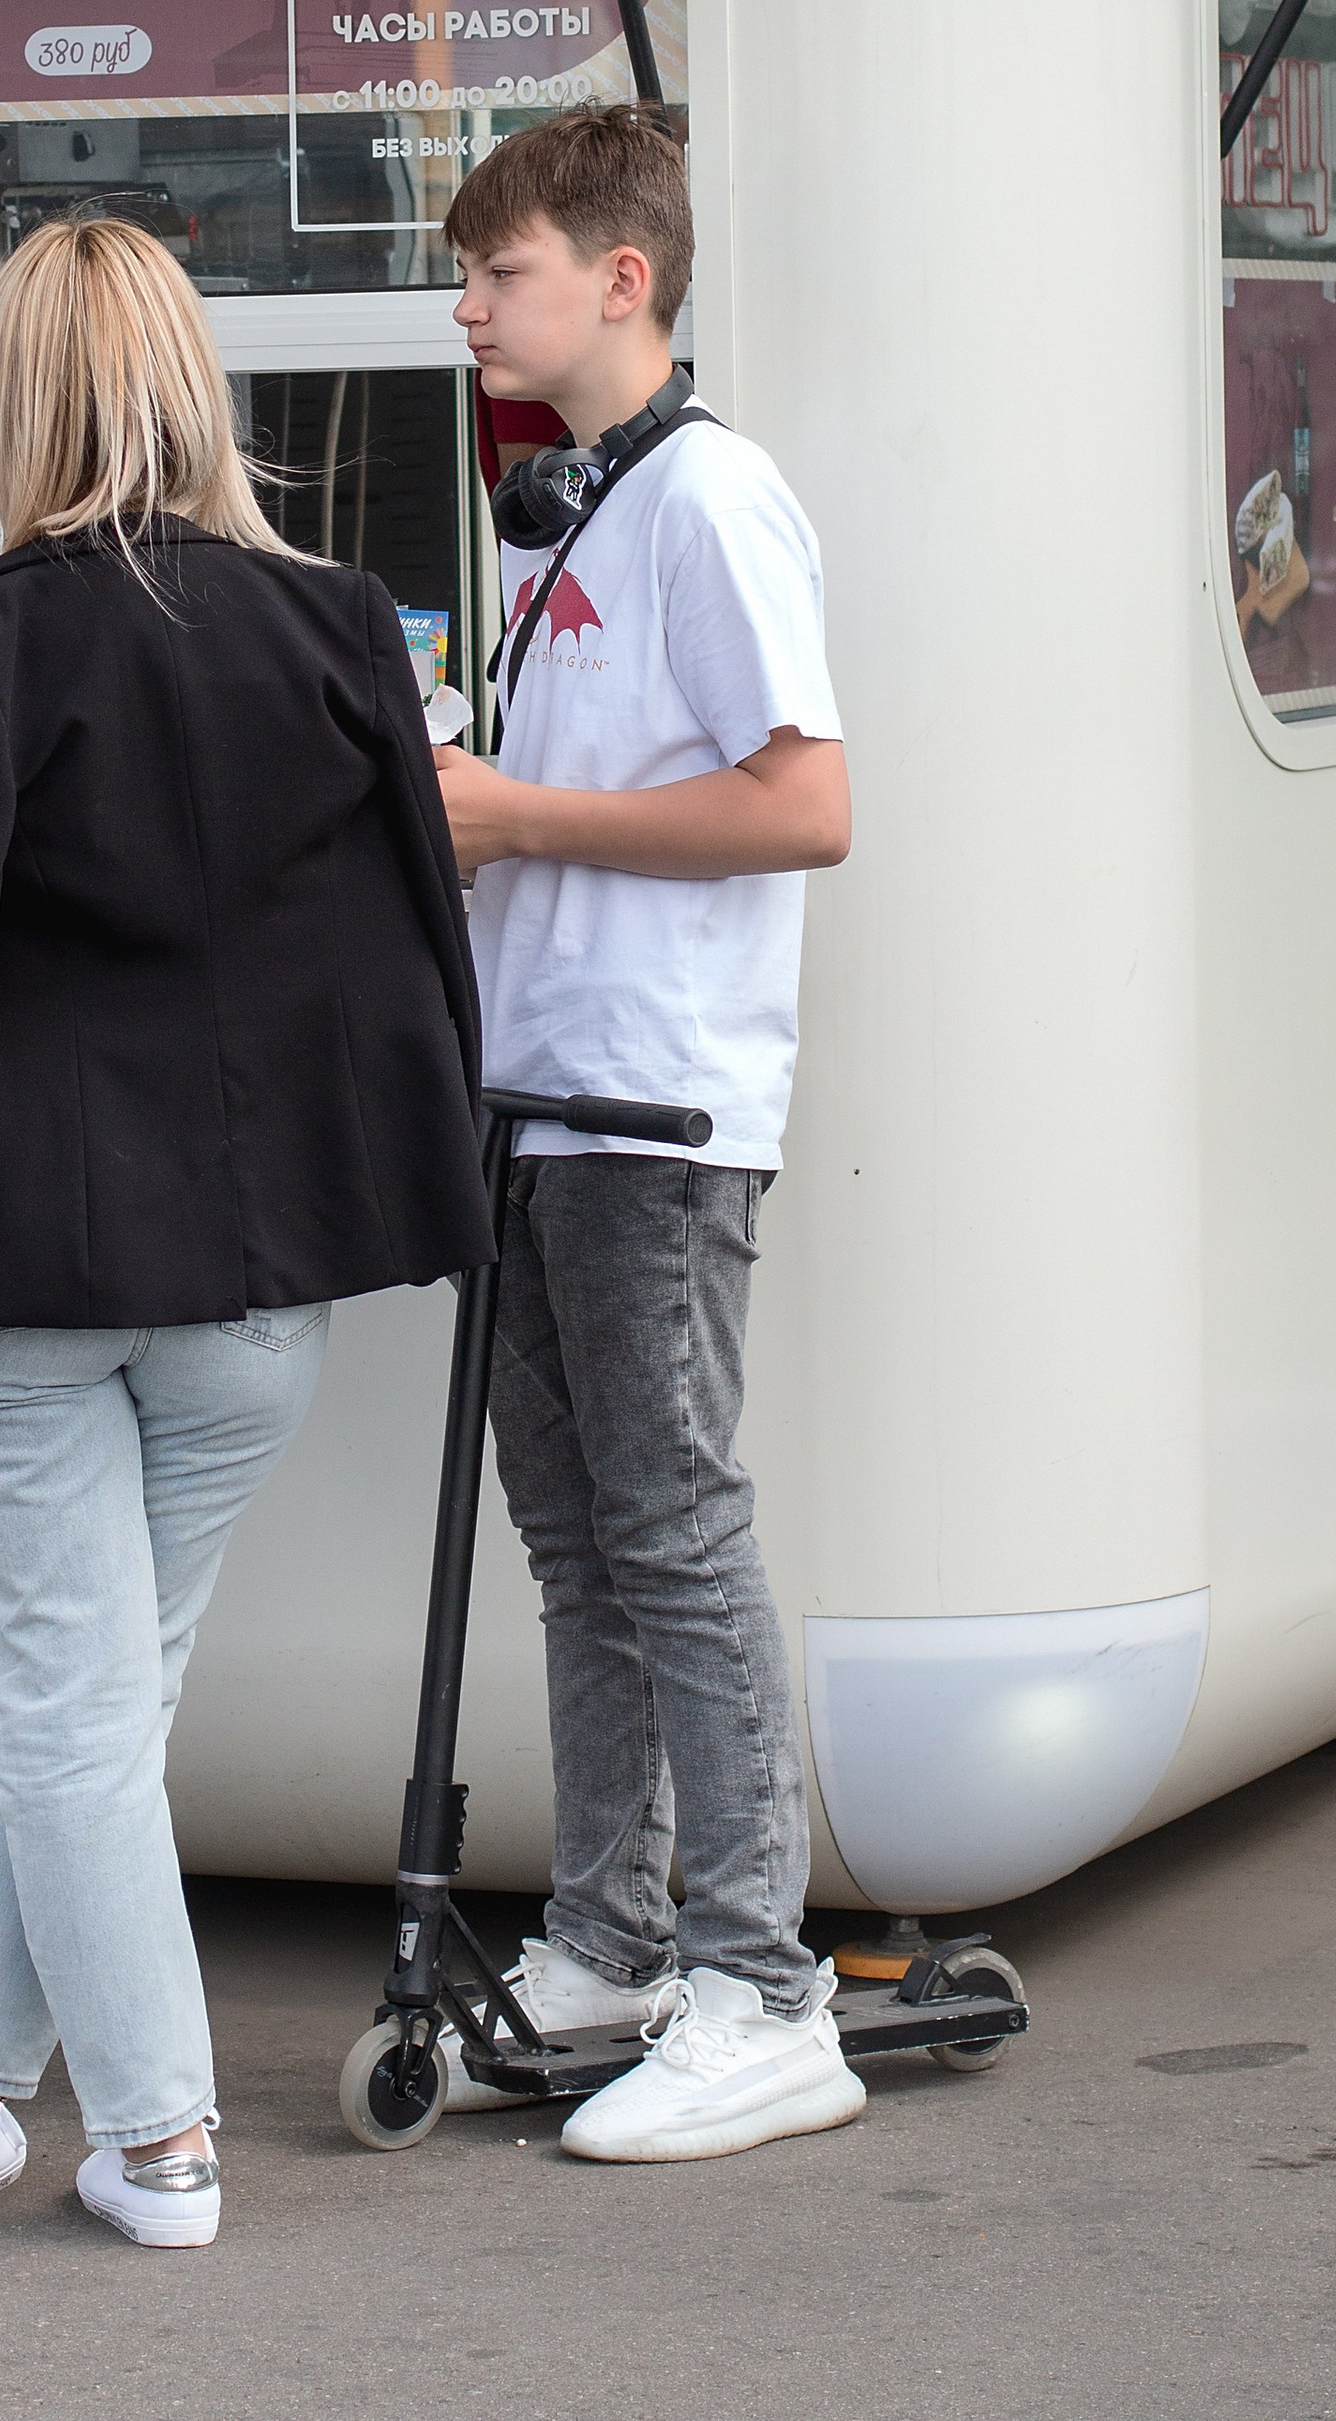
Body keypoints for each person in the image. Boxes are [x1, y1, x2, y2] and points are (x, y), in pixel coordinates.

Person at [0, 220, 489, 2251]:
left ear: (14, 401)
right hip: (259, 1281)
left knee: (76, 1705)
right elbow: (404, 949)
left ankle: (161, 2136)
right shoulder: (339, 626)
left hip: (20, 1282)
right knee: (98, 1698)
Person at [431, 109, 858, 2164]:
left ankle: (764, 1990)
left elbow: (806, 805)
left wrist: (518, 814)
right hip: (540, 1099)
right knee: (579, 1542)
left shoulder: (711, 496)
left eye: (495, 271)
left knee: (670, 1531)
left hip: (656, 1105)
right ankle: (610, 1939)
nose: (464, 307)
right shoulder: (569, 512)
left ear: (621, 279)